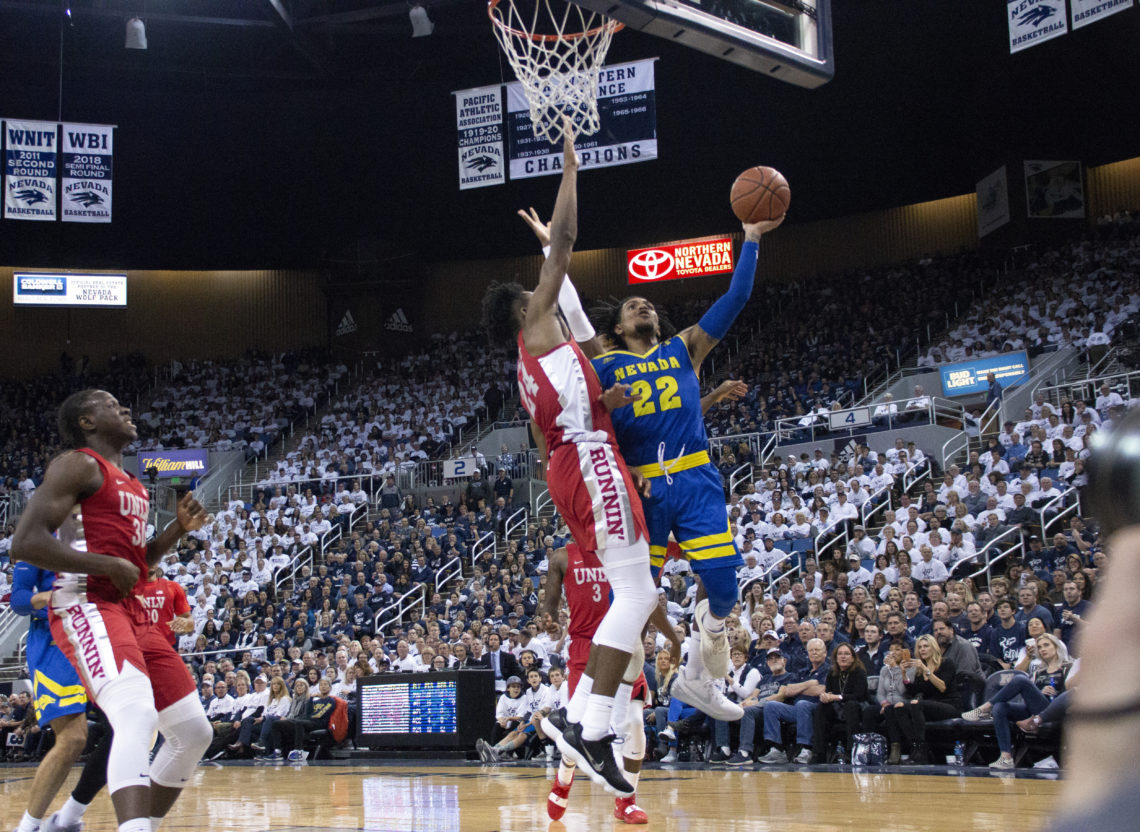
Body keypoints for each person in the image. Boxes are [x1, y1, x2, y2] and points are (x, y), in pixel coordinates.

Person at [481, 127, 657, 795]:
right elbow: (565, 245)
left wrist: (596, 404)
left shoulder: (534, 360)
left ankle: (581, 719)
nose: (542, 286)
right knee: (638, 590)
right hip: (588, 465)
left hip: (573, 465)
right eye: (535, 288)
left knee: (637, 588)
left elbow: (547, 425)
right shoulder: (538, 322)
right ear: (526, 309)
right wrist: (572, 172)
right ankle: (592, 725)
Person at [568, 207, 783, 729]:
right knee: (635, 602)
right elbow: (573, 331)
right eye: (631, 304)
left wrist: (750, 237)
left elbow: (735, 300)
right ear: (617, 327)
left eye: (647, 302)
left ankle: (697, 672)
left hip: (693, 478)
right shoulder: (603, 365)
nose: (643, 304)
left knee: (726, 587)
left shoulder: (683, 348)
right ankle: (598, 709)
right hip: (640, 490)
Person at [11, 390, 213, 832]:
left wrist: (177, 528)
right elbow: (25, 542)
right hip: (85, 603)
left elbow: (136, 565)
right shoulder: (78, 464)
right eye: (110, 404)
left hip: (130, 610)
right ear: (86, 422)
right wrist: (105, 565)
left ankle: (137, 824)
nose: (124, 409)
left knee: (194, 733)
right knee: (134, 714)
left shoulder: (135, 484)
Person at [540, 543, 678, 824]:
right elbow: (549, 607)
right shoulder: (563, 557)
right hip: (585, 651)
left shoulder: (627, 547)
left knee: (635, 725)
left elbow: (645, 598)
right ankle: (563, 780)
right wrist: (550, 620)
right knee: (579, 734)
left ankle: (626, 800)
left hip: (626, 648)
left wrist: (673, 636)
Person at [10, 518, 110, 832]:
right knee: (74, 737)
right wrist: (48, 599)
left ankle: (67, 817)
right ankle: (27, 827)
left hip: (101, 634)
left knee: (137, 726)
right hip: (56, 640)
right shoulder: (37, 539)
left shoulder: (101, 535)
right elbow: (18, 599)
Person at [962, 632, 1073, 769]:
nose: (1042, 649)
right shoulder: (1038, 671)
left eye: (1046, 645)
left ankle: (985, 708)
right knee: (1001, 707)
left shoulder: (1068, 666)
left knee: (1020, 679)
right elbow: (1030, 696)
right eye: (1039, 647)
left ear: (1056, 647)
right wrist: (1039, 692)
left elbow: (1071, 693)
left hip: (1054, 711)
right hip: (1036, 708)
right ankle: (1006, 757)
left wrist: (1057, 692)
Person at [882, 634, 960, 764]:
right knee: (897, 707)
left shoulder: (946, 663)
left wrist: (926, 670)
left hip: (949, 704)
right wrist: (903, 673)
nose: (922, 649)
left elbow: (942, 687)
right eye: (920, 647)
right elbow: (913, 690)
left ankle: (922, 750)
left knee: (916, 704)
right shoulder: (919, 669)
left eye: (926, 646)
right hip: (927, 706)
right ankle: (915, 748)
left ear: (933, 648)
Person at [810, 642, 868, 764]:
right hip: (838, 708)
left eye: (847, 654)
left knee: (850, 705)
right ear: (835, 658)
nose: (843, 656)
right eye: (840, 654)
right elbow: (830, 692)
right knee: (821, 707)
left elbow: (859, 695)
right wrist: (825, 696)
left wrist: (837, 697)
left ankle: (850, 750)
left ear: (853, 657)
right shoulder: (832, 673)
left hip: (857, 707)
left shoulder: (859, 672)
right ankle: (819, 752)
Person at [138, 565, 195, 649]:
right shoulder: (127, 589)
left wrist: (185, 625)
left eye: (152, 558)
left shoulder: (172, 586)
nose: (149, 562)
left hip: (165, 645)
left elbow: (189, 621)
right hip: (137, 647)